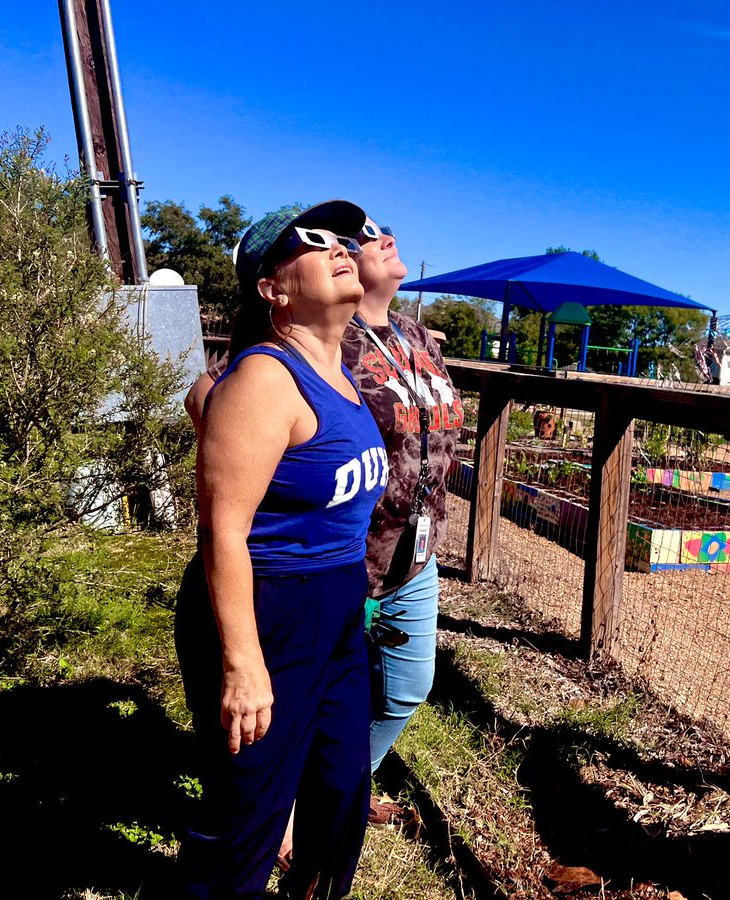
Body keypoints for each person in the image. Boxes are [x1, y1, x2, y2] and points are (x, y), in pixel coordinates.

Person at [173, 200, 387, 899]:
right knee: (248, 818)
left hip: (334, 609)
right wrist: (242, 663)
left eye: (345, 239)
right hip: (267, 607)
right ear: (273, 288)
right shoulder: (267, 379)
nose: (341, 248)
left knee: (339, 794)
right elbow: (222, 529)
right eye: (314, 242)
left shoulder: (340, 378)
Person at [341, 214, 461, 822]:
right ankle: (284, 811)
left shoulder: (417, 338)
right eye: (366, 236)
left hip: (415, 559)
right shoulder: (323, 335)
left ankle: (339, 790)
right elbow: (211, 392)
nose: (386, 237)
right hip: (345, 558)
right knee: (308, 696)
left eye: (385, 229)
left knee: (407, 689)